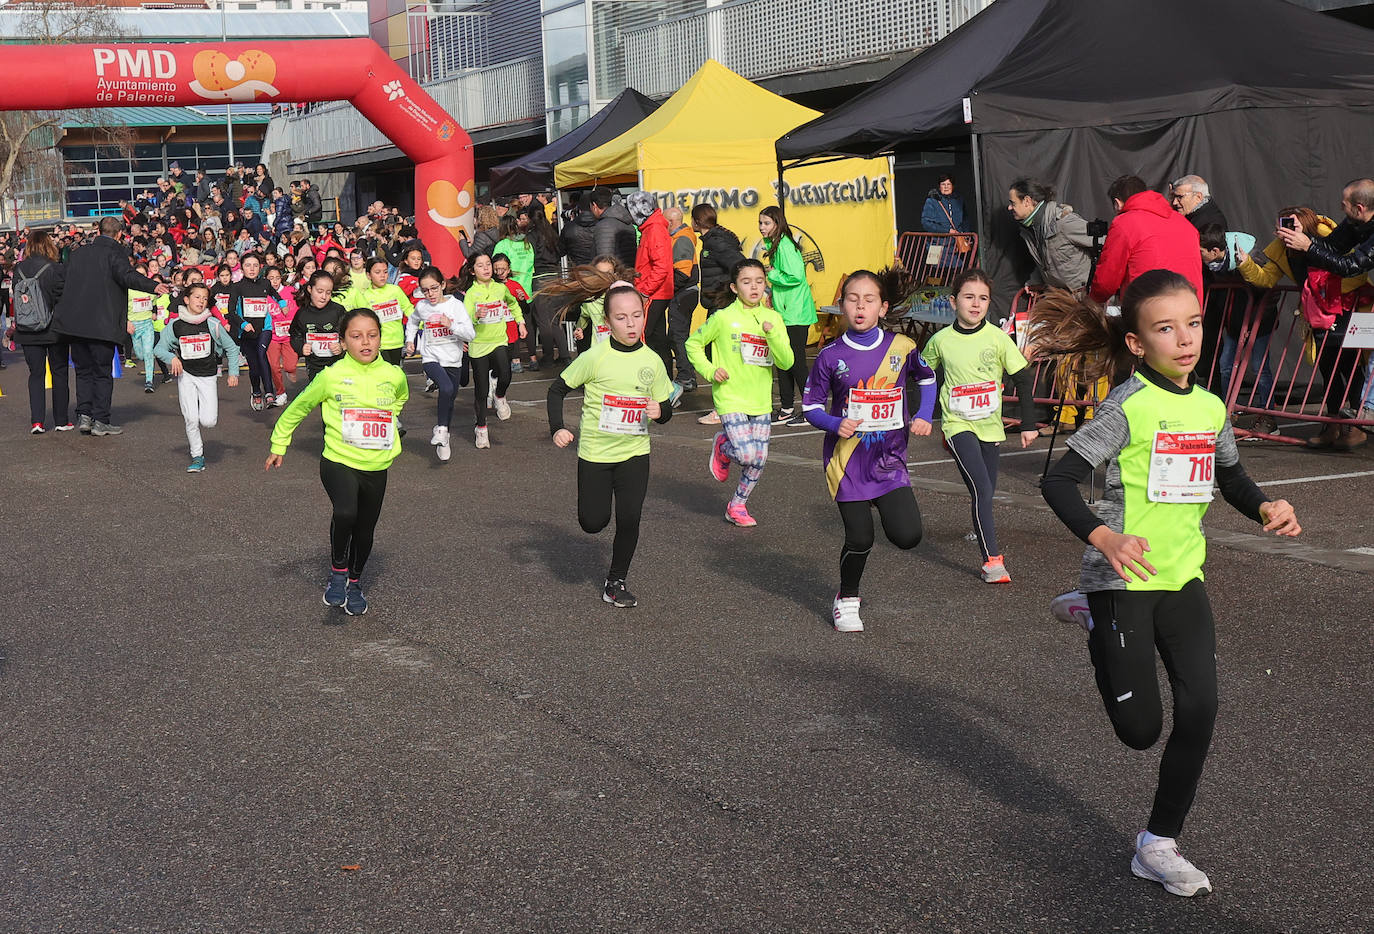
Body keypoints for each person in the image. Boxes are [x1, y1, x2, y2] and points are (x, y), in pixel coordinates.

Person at [1032, 269, 1301, 899]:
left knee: (1202, 707)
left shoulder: (1209, 406)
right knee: (1139, 731)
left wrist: (1264, 507)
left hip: (1182, 574)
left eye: (1193, 323)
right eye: (1165, 327)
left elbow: (1229, 476)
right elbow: (1059, 480)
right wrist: (1105, 539)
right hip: (1122, 578)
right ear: (1136, 342)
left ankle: (1158, 844)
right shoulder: (1127, 405)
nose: (1184, 339)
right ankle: (1093, 612)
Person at [801, 269, 938, 632]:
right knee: (861, 537)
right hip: (848, 461)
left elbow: (927, 377)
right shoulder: (830, 356)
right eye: (852, 299)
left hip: (889, 462)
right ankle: (847, 598)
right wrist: (834, 423)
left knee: (908, 537)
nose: (860, 306)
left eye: (869, 300)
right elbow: (810, 406)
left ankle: (883, 502)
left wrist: (924, 414)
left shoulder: (902, 347)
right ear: (842, 305)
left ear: (883, 307)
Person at [267, 308, 409, 617]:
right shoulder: (331, 376)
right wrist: (280, 443)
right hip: (338, 459)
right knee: (346, 512)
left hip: (376, 463)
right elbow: (299, 407)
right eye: (356, 337)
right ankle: (338, 572)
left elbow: (400, 398)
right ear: (342, 342)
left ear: (381, 339)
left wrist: (389, 418)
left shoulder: (394, 375)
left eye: (372, 335)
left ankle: (355, 583)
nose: (365, 342)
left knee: (366, 530)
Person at [547, 282, 675, 608]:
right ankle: (595, 522)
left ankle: (616, 581)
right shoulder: (595, 356)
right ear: (608, 320)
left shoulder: (652, 360)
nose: (631, 324)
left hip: (635, 453)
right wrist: (557, 428)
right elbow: (557, 390)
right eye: (621, 318)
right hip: (595, 453)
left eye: (636, 315)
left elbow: (665, 408)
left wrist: (661, 411)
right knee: (593, 522)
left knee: (630, 518)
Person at [916, 269, 1039, 582]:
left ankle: (980, 528)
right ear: (954, 301)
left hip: (990, 426)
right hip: (957, 425)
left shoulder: (998, 338)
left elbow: (1023, 379)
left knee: (985, 490)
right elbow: (923, 376)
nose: (976, 304)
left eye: (983, 298)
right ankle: (992, 562)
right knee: (983, 489)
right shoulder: (940, 340)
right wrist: (921, 414)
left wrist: (1028, 423)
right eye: (969, 297)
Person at [685, 259, 795, 527]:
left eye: (759, 281)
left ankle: (737, 505)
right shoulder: (723, 318)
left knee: (759, 460)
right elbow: (693, 344)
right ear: (735, 288)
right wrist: (711, 371)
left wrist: (773, 337)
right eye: (747, 282)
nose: (754, 287)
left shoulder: (772, 318)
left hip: (760, 399)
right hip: (731, 396)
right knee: (746, 455)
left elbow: (787, 362)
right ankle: (723, 446)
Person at [1275, 177, 1374, 450]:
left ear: (1360, 207)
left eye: (1344, 205)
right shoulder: (1355, 223)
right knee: (1331, 364)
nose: (1339, 208)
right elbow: (1330, 249)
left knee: (1354, 367)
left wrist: (1309, 246)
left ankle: (1358, 424)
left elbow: (1351, 266)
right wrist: (1304, 243)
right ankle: (1339, 425)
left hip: (1354, 307)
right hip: (1330, 313)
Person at [51, 215, 167, 436]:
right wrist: (154, 286)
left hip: (76, 325)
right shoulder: (115, 253)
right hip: (102, 325)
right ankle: (101, 420)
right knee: (102, 373)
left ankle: (84, 416)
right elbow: (128, 277)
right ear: (119, 234)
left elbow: (60, 281)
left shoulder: (77, 254)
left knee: (83, 371)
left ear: (98, 232)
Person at [154, 283, 241, 472]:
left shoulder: (213, 324)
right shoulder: (176, 326)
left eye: (204, 298)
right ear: (186, 300)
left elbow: (232, 348)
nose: (201, 301)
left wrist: (233, 372)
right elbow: (159, 348)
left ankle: (202, 408)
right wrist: (172, 358)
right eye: (197, 297)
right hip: (186, 376)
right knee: (191, 419)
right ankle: (197, 456)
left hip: (208, 376)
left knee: (208, 421)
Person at [1090, 175, 1203, 307]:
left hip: (1149, 313)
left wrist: (1091, 301)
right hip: (1191, 312)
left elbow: (1106, 283)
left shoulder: (1125, 223)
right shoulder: (1185, 224)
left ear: (1117, 203)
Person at [405, 266, 475, 463]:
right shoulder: (422, 307)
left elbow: (470, 334)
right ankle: (442, 429)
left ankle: (444, 435)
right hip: (431, 358)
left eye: (434, 288)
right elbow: (412, 322)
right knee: (444, 388)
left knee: (450, 396)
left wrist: (450, 325)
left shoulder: (455, 306)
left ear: (443, 285)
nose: (430, 294)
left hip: (453, 359)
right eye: (425, 290)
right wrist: (410, 340)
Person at [758, 205, 816, 427]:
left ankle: (811, 408)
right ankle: (786, 408)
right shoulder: (775, 244)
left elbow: (795, 276)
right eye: (760, 223)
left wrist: (771, 275)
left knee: (797, 361)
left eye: (766, 223)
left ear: (777, 223)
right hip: (785, 311)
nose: (762, 227)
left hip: (796, 313)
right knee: (782, 360)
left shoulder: (784, 244)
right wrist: (773, 291)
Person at [461, 251, 526, 449]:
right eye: (480, 265)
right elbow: (465, 319)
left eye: (488, 264)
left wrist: (520, 322)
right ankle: (481, 428)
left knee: (505, 373)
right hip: (479, 345)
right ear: (472, 271)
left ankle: (499, 396)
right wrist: (475, 315)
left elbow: (513, 303)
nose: (486, 268)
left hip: (499, 339)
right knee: (480, 391)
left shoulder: (500, 288)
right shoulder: (471, 294)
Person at [13, 229, 70, 433]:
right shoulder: (56, 268)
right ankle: (61, 420)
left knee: (35, 374)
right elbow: (63, 299)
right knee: (59, 373)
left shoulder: (19, 269)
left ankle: (37, 421)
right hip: (54, 328)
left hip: (27, 329)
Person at [1007, 178, 1094, 292]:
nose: (1009, 208)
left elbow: (1105, 243)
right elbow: (1047, 262)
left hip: (1085, 297)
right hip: (1062, 297)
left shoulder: (1063, 222)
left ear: (1027, 201)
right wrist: (1034, 281)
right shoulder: (1030, 229)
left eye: (1013, 203)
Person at [625, 192, 674, 374]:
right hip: (656, 290)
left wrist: (645, 291)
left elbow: (661, 266)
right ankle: (666, 381)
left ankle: (646, 376)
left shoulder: (654, 229)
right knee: (658, 339)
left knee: (643, 335)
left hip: (653, 292)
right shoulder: (651, 227)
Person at [225, 253, 278, 410]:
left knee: (262, 355)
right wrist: (243, 324)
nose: (252, 268)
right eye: (248, 265)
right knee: (254, 366)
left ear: (260, 267)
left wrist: (282, 303)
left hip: (264, 328)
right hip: (246, 333)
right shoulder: (237, 287)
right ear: (242, 268)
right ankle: (256, 392)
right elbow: (230, 312)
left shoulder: (265, 283)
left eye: (255, 265)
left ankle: (269, 393)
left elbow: (275, 294)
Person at [346, 257, 414, 366]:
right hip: (378, 345)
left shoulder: (395, 290)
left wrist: (420, 324)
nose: (382, 275)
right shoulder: (365, 296)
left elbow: (408, 309)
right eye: (377, 272)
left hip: (397, 342)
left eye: (385, 272)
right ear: (368, 275)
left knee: (396, 375)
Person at [664, 206, 700, 392]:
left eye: (665, 222)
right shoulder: (681, 238)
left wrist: (665, 290)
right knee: (677, 336)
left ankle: (687, 376)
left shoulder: (682, 240)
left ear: (671, 222)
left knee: (678, 336)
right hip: (685, 293)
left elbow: (683, 273)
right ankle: (687, 374)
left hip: (684, 293)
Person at [288, 271, 346, 384]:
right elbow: (295, 335)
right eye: (319, 291)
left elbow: (350, 334)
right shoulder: (302, 314)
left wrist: (342, 346)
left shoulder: (338, 310)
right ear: (310, 289)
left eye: (328, 293)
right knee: (319, 398)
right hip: (314, 366)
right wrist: (301, 347)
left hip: (338, 364)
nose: (324, 297)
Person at [264, 265, 298, 407]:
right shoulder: (264, 295)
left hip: (289, 335)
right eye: (271, 278)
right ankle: (280, 392)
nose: (275, 281)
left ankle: (291, 371)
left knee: (290, 366)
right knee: (274, 366)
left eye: (277, 278)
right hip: (272, 336)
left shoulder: (291, 291)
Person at [589, 187, 637, 268]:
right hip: (628, 275)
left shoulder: (604, 225)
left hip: (614, 277)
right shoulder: (627, 223)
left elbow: (604, 262)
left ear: (594, 206)